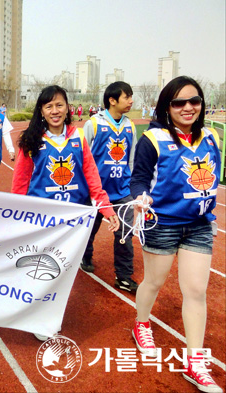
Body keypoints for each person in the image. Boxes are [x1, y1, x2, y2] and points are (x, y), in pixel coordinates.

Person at [131, 76, 223, 393]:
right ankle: (142, 324)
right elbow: (139, 178)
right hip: (162, 225)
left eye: (194, 101)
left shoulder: (212, 137)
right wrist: (141, 196)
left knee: (196, 291)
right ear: (167, 106)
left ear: (201, 103)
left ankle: (195, 363)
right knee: (153, 282)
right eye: (179, 102)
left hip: (199, 226)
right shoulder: (153, 138)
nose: (187, 107)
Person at [11, 85, 119, 341]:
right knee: (42, 268)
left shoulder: (78, 137)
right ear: (41, 110)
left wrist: (105, 206)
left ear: (68, 107)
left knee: (63, 269)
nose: (55, 110)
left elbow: (92, 176)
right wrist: (16, 214)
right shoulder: (31, 140)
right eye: (48, 106)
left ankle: (49, 312)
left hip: (73, 219)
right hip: (43, 218)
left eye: (59, 105)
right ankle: (39, 315)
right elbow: (21, 182)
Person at [81, 81, 138, 292]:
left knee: (124, 234)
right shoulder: (93, 124)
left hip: (122, 191)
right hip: (96, 193)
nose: (131, 100)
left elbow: (130, 160)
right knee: (89, 230)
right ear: (112, 100)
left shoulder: (130, 126)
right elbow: (82, 159)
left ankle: (123, 276)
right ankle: (85, 255)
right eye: (127, 97)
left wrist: (131, 187)